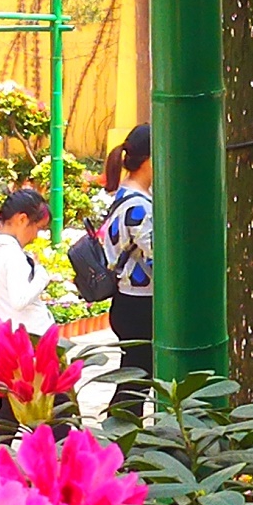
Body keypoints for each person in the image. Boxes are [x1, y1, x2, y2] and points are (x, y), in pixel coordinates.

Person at [97, 124, 155, 417]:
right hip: (139, 305)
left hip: (128, 303)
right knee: (137, 379)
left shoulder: (126, 195)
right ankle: (121, 431)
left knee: (136, 374)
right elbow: (161, 257)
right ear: (149, 160)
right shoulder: (140, 207)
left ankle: (123, 431)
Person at [0, 187, 52, 337]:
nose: (35, 237)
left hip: (7, 335)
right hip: (32, 336)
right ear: (22, 219)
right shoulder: (12, 254)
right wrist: (41, 275)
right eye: (38, 228)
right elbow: (19, 300)